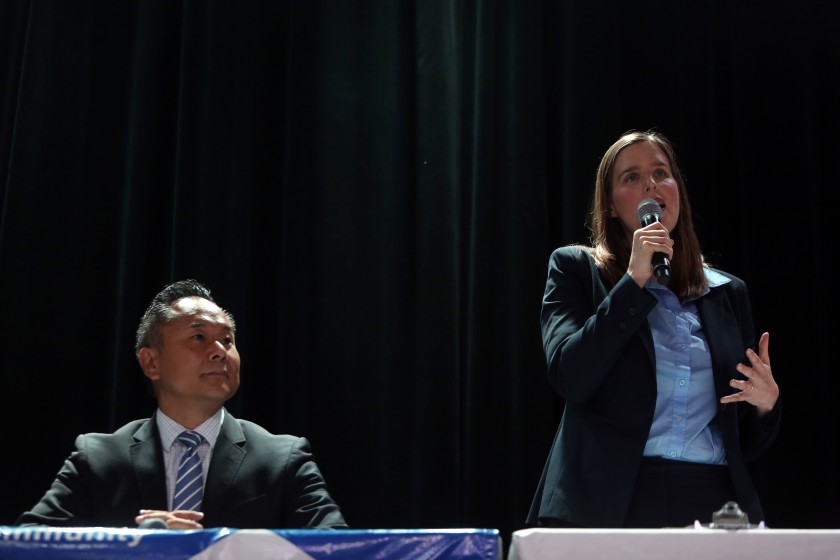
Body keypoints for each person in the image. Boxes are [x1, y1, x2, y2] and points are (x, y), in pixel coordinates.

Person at [527, 129, 781, 528]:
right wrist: (633, 283)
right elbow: (571, 377)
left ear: (677, 189)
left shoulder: (727, 293)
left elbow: (743, 442)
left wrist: (765, 404)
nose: (650, 183)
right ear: (611, 205)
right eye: (631, 177)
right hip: (607, 500)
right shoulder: (576, 268)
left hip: (711, 501)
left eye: (662, 173)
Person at [17, 279, 348, 530]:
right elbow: (28, 544)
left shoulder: (282, 459)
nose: (220, 350)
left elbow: (337, 549)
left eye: (228, 340)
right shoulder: (98, 459)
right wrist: (137, 544)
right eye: (199, 337)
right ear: (151, 363)